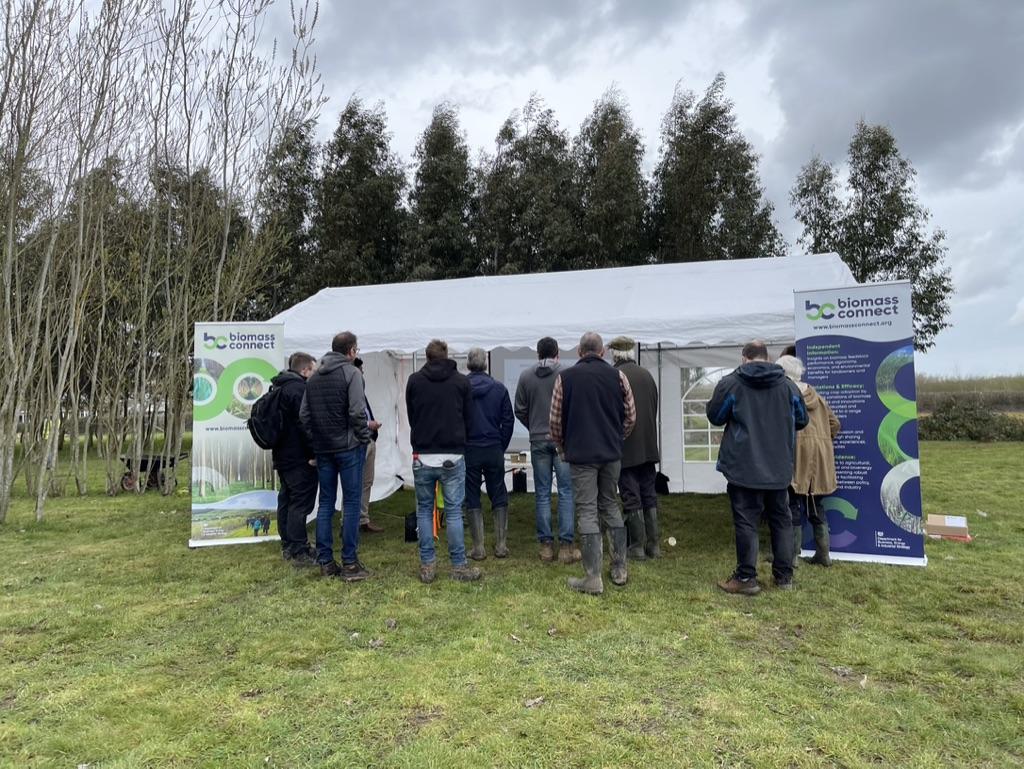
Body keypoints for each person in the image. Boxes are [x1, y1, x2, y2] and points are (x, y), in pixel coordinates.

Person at [706, 340, 808, 595]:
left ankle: (746, 578)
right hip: (778, 466)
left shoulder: (731, 383)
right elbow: (802, 420)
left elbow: (715, 416)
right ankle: (784, 578)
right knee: (781, 520)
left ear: (744, 358)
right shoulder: (788, 386)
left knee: (746, 522)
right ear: (768, 358)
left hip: (743, 466)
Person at [550, 332, 636, 595]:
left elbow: (554, 422)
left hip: (581, 454)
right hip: (611, 453)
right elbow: (631, 416)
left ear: (579, 352)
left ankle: (593, 578)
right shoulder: (618, 376)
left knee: (587, 510)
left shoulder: (564, 378)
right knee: (610, 504)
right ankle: (619, 568)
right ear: (602, 352)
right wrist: (616, 438)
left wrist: (564, 448)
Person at [405, 339, 483, 583]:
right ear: (447, 355)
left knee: (425, 511)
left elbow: (411, 414)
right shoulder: (461, 382)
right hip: (452, 453)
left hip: (423, 454)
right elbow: (469, 417)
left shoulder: (414, 381)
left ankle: (427, 565)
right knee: (453, 511)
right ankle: (459, 567)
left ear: (427, 357)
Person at [300, 331, 371, 582]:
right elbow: (356, 411)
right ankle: (350, 563)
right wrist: (364, 437)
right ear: (351, 351)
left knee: (326, 503)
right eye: (357, 350)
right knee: (351, 503)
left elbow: (304, 416)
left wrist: (316, 439)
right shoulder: (352, 374)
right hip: (348, 447)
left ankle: (326, 561)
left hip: (323, 449)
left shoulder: (314, 377)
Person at [514, 336, 579, 564]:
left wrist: (533, 426)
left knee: (542, 493)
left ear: (537, 354)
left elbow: (519, 409)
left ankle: (546, 547)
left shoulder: (525, 376)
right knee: (566, 492)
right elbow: (574, 407)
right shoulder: (567, 374)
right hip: (562, 440)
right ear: (557, 354)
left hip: (538, 440)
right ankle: (567, 547)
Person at [777, 354, 841, 567]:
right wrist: (822, 440)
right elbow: (835, 424)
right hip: (820, 457)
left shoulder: (786, 394)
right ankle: (824, 555)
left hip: (797, 455)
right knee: (816, 505)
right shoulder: (818, 396)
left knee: (793, 503)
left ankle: (792, 557)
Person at [608, 336, 661, 560]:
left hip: (626, 446)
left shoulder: (614, 376)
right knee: (649, 494)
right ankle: (654, 545)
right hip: (648, 445)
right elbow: (654, 407)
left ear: (615, 353)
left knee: (631, 495)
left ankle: (637, 546)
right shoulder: (647, 375)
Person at [464, 347, 515, 560]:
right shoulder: (499, 388)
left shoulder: (461, 388)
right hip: (493, 446)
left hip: (470, 448)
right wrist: (500, 444)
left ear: (468, 364)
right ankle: (501, 545)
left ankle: (478, 547)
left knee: (472, 495)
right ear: (485, 363)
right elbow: (509, 421)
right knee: (498, 492)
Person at [271, 352, 318, 566]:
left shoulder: (278, 387)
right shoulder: (299, 390)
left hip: (282, 455)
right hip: (299, 457)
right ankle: (299, 548)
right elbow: (304, 425)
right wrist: (313, 454)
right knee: (300, 502)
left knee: (286, 499)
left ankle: (288, 544)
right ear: (305, 370)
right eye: (313, 371)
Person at [353, 357, 384, 534]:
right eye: (361, 370)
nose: (363, 373)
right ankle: (348, 522)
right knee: (354, 482)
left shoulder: (361, 393)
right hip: (357, 442)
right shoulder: (348, 391)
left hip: (369, 440)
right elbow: (351, 417)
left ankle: (363, 519)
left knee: (367, 481)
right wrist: (368, 424)